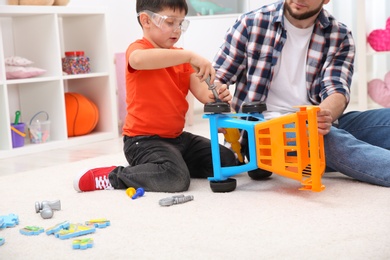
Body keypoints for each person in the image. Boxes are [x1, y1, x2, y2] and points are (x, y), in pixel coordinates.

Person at [212, 0, 390, 187]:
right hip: (262, 132)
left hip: (313, 120)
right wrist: (221, 103)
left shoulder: (340, 35)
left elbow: (337, 90)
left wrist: (322, 115)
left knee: (382, 120)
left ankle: (340, 153)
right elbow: (216, 78)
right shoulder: (251, 23)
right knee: (324, 139)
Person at [73, 0, 236, 193]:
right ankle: (113, 176)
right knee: (176, 180)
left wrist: (218, 94)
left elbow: (203, 94)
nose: (177, 30)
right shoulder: (139, 49)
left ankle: (166, 167)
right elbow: (138, 60)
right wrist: (189, 56)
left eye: (181, 23)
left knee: (227, 161)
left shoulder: (182, 58)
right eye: (170, 22)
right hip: (142, 141)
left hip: (177, 139)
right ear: (146, 20)